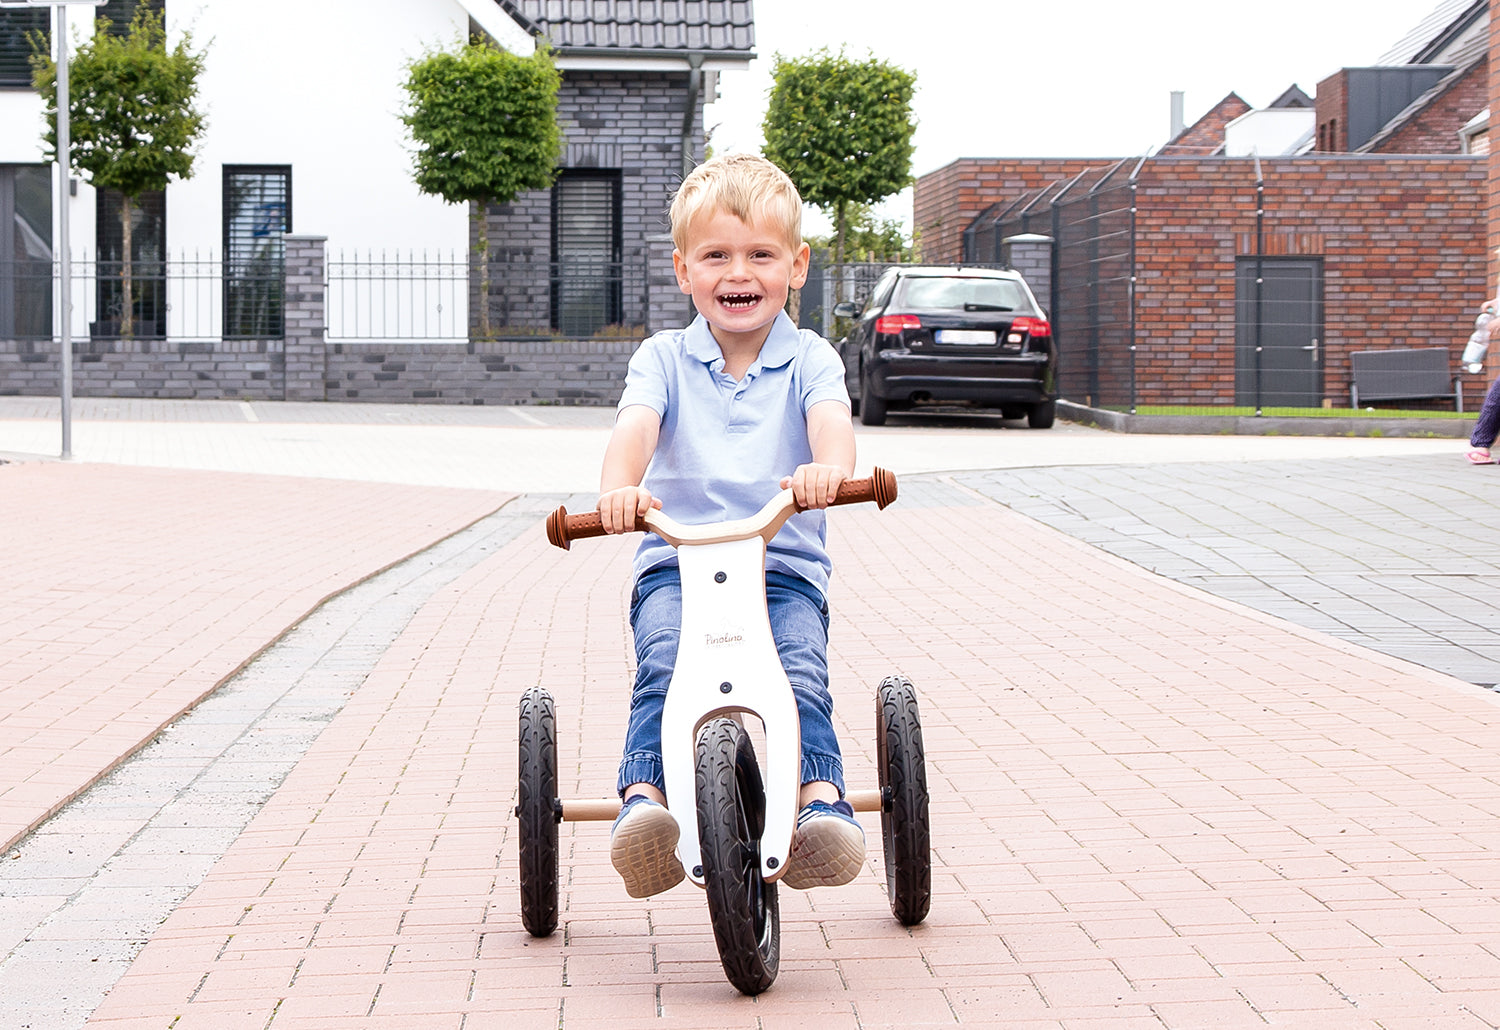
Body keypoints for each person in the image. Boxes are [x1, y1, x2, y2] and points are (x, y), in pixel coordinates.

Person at [594, 153, 863, 898]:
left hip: (782, 568)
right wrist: (620, 490)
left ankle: (819, 802)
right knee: (663, 668)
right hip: (677, 564)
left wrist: (827, 473)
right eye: (716, 255)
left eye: (759, 255)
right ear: (685, 272)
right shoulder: (663, 360)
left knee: (801, 673)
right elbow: (636, 429)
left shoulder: (812, 358)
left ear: (796, 265)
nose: (737, 273)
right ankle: (644, 804)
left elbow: (832, 427)